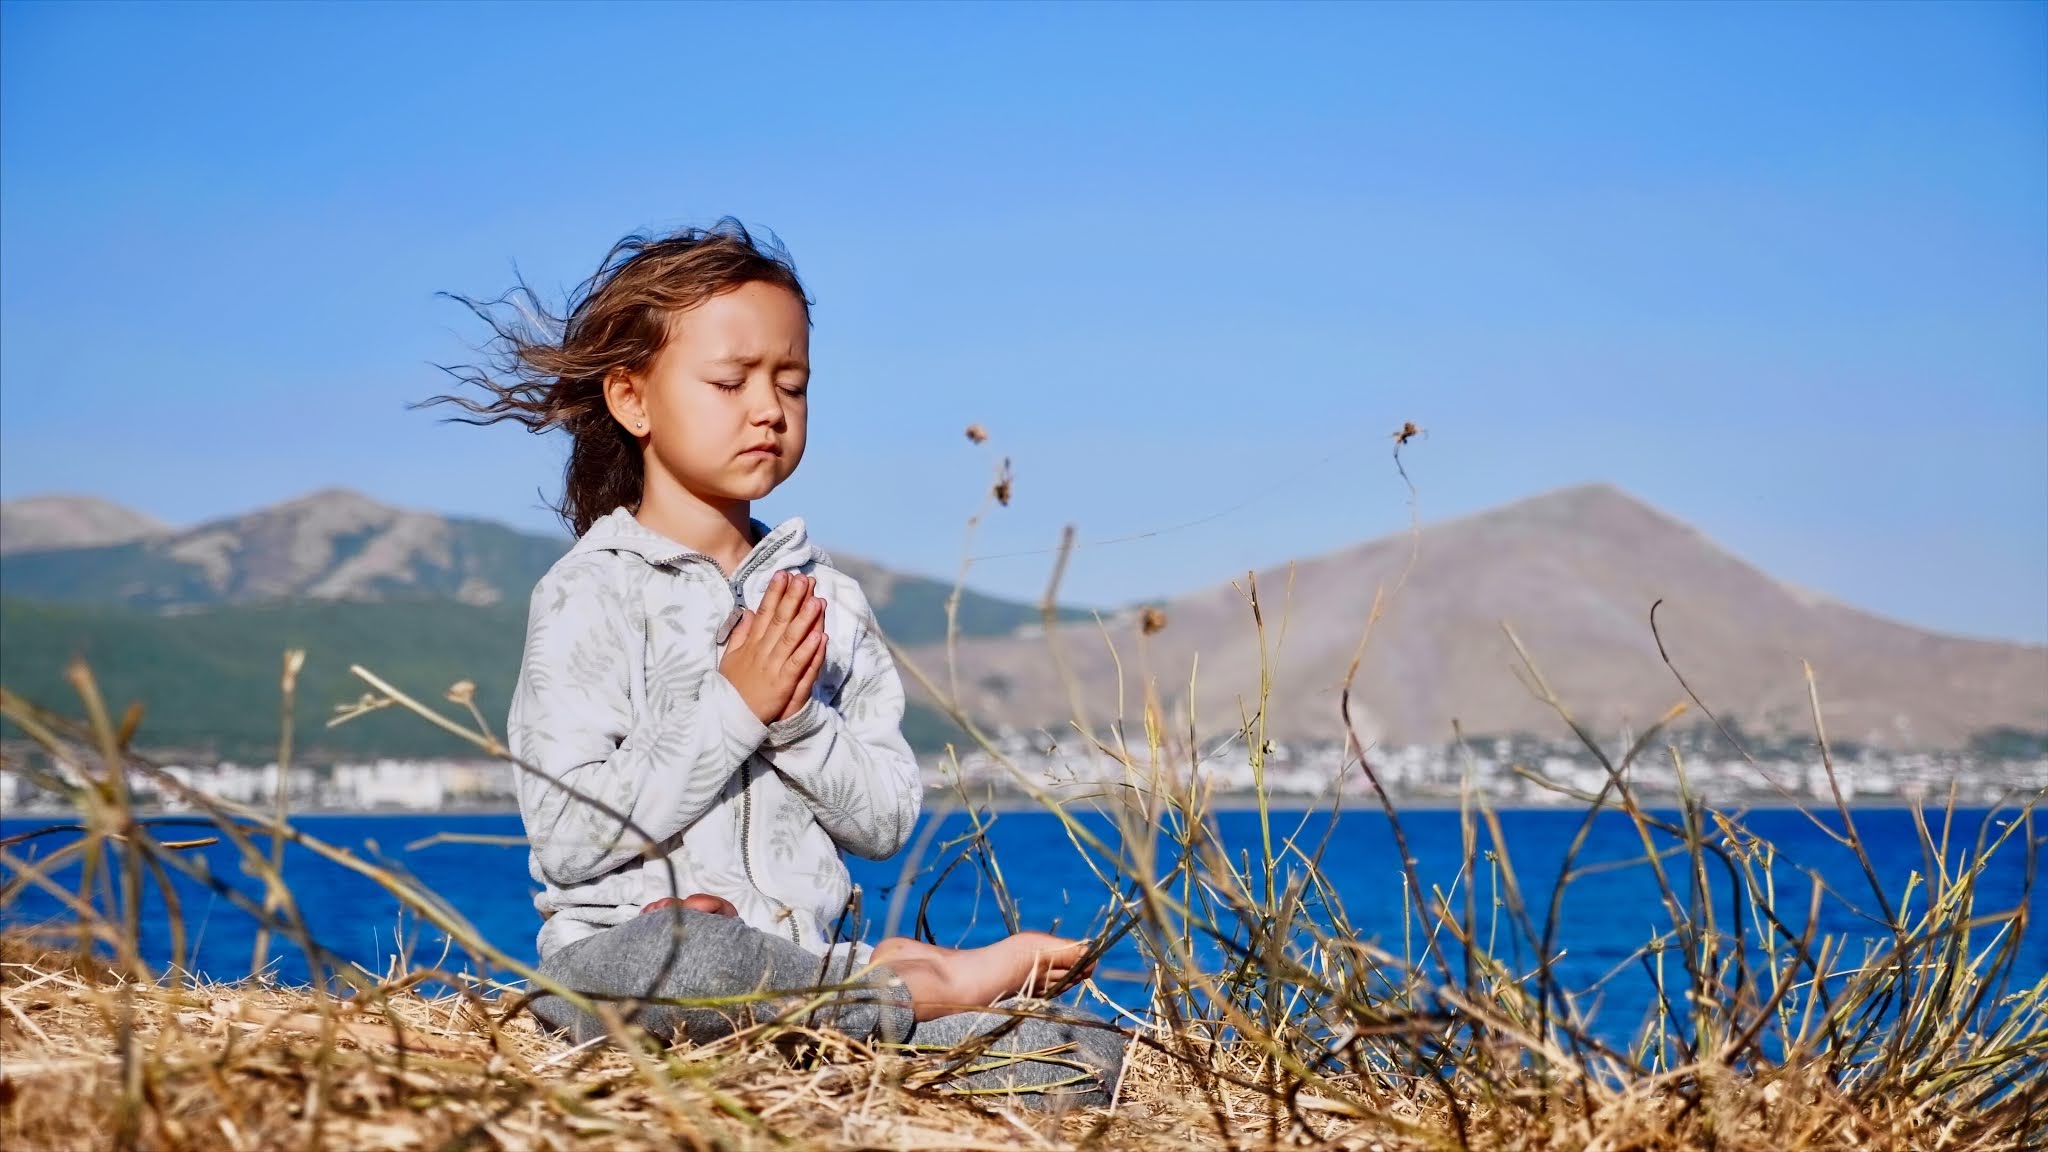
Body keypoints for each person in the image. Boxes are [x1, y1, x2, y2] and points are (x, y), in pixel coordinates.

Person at [431, 220, 1125, 1104]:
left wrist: (795, 720)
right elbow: (570, 841)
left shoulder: (829, 599)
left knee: (1081, 1054)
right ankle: (911, 984)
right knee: (688, 956)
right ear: (631, 399)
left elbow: (881, 823)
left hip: (802, 972)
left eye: (791, 384)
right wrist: (733, 707)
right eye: (729, 382)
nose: (768, 408)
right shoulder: (589, 593)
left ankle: (861, 1000)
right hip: (637, 969)